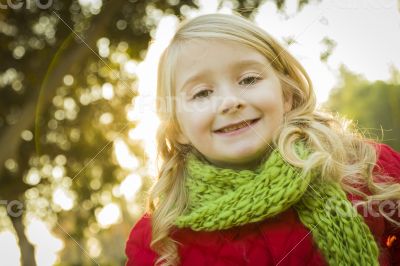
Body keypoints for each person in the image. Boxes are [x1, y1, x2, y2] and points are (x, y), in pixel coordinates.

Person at [125, 13, 400, 266]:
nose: (229, 102)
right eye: (202, 94)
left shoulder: (366, 168)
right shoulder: (159, 241)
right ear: (179, 128)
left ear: (286, 95)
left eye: (248, 80)